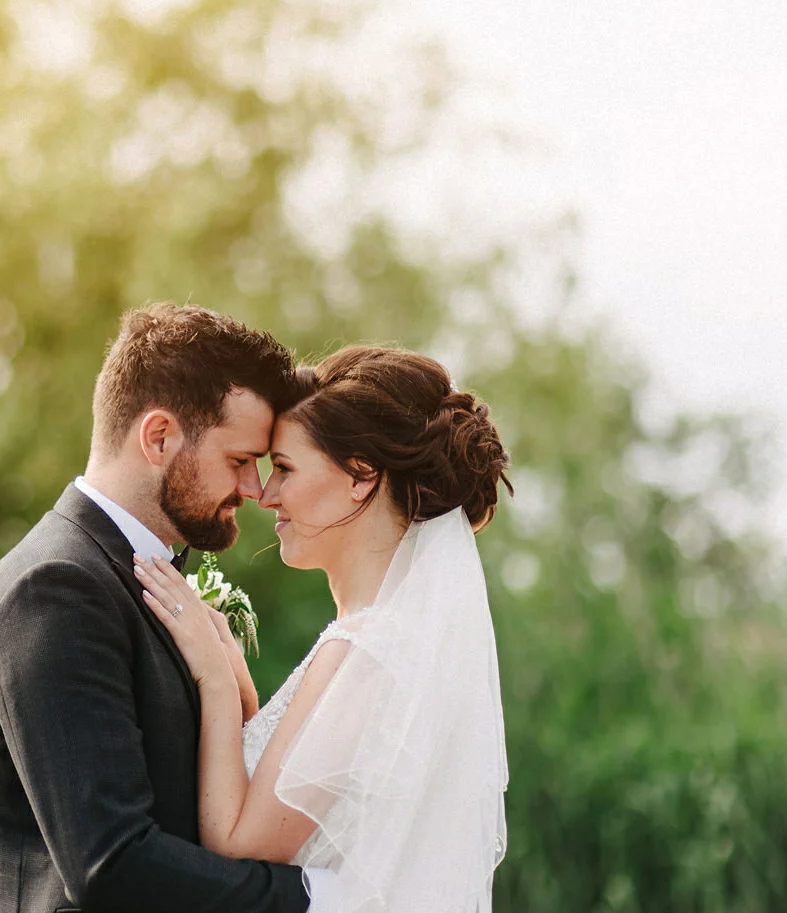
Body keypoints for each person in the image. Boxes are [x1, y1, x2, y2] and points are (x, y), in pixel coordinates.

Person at [0, 303, 328, 913]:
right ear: (158, 437)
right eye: (239, 461)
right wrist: (322, 900)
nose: (255, 490)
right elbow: (114, 863)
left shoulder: (134, 580)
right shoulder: (55, 589)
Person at [134, 345, 513, 912]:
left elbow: (240, 845)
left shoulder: (367, 650)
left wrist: (212, 678)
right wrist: (241, 692)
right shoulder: (386, 641)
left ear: (361, 476)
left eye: (284, 468)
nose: (264, 494)